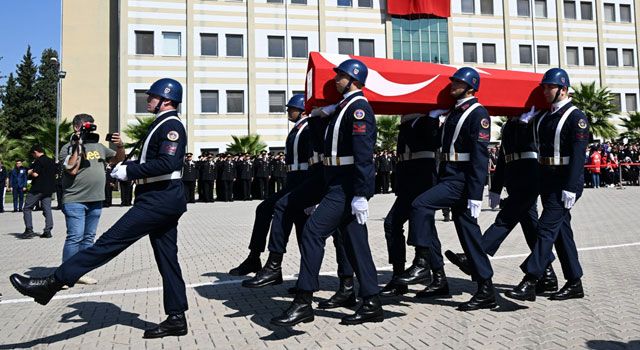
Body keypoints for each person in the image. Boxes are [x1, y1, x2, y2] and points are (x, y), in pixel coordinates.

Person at [10, 78, 190, 339]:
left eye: (152, 96)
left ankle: (51, 283)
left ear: (167, 100)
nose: (148, 99)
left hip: (159, 199)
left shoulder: (171, 125)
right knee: (167, 260)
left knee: (108, 243)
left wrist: (130, 170)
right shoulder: (161, 123)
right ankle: (176, 318)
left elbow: (169, 162)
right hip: (159, 198)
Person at [271, 58, 382, 326]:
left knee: (312, 232)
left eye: (341, 76)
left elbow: (364, 155)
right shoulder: (342, 109)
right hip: (335, 183)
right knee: (357, 245)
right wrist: (322, 115)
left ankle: (303, 301)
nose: (335, 79)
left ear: (354, 80)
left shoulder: (358, 109)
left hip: (345, 186)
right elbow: (326, 146)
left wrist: (361, 194)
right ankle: (372, 303)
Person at [401, 67, 496, 311]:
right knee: (469, 234)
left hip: (461, 180)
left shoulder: (478, 113)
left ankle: (423, 259)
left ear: (471, 87)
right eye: (453, 81)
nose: (452, 85)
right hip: (449, 175)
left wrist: (477, 194)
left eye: (458, 82)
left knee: (420, 205)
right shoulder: (454, 112)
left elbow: (479, 156)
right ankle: (486, 288)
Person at [444, 106, 558, 295]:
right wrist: (495, 188)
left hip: (531, 174)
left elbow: (539, 143)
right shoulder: (508, 125)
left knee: (506, 217)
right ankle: (547, 276)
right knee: (531, 227)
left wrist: (524, 124)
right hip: (515, 177)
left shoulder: (534, 121)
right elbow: (504, 158)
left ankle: (476, 255)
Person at [506, 68, 588, 302]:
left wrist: (571, 187)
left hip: (565, 182)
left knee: (545, 229)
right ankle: (574, 282)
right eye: (543, 87)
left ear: (563, 89)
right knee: (562, 234)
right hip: (547, 180)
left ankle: (530, 280)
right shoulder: (543, 117)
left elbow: (579, 155)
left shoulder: (576, 117)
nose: (544, 91)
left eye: (549, 87)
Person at [58, 113, 125, 284]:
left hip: (96, 199)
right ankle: (65, 275)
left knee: (88, 237)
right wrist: (78, 145)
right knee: (75, 236)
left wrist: (119, 146)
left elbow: (118, 159)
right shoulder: (67, 148)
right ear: (76, 127)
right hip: (75, 200)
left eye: (91, 126)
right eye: (85, 126)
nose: (89, 129)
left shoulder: (99, 146)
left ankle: (80, 272)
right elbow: (71, 169)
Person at [380, 112, 440, 297]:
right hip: (408, 180)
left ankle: (434, 276)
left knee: (418, 226)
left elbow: (427, 144)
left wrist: (411, 121)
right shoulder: (408, 121)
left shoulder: (427, 118)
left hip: (422, 179)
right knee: (397, 225)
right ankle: (402, 276)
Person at [22, 145, 56, 238]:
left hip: (37, 188)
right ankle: (48, 231)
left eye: (33, 154)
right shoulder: (51, 161)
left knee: (27, 208)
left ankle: (29, 230)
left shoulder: (39, 161)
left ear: (36, 152)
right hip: (48, 189)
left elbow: (36, 174)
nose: (33, 156)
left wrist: (29, 172)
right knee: (47, 209)